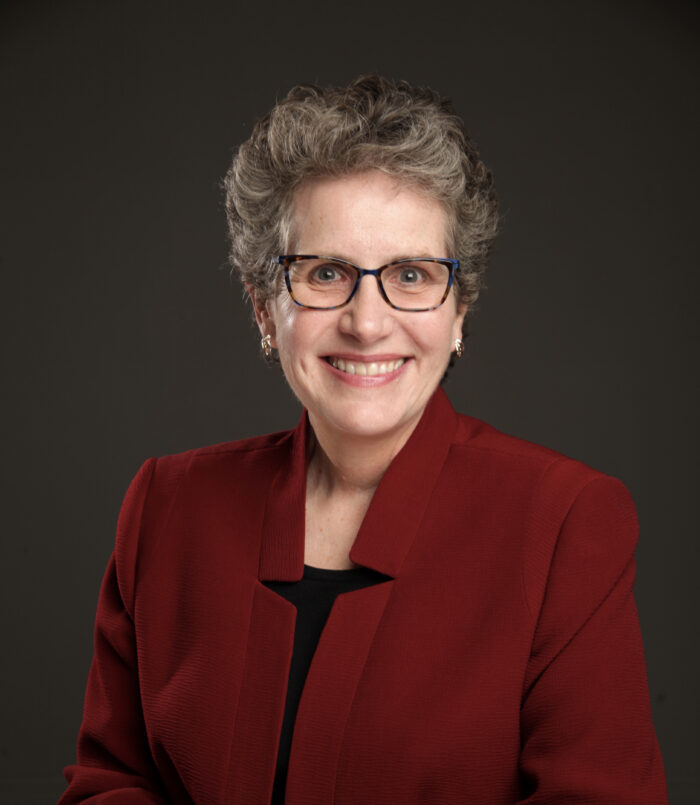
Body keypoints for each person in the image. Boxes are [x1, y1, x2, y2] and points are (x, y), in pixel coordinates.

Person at [60, 75, 667, 804]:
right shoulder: (166, 506)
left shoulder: (566, 522)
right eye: (325, 273)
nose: (367, 320)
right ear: (263, 308)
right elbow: (109, 783)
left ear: (459, 310)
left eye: (411, 274)